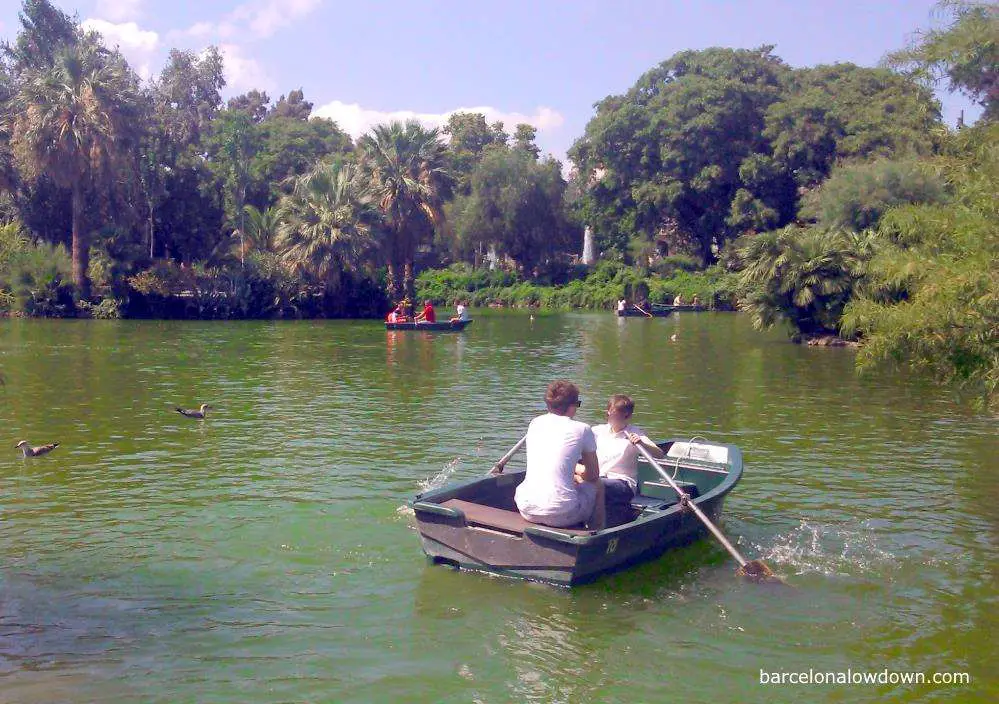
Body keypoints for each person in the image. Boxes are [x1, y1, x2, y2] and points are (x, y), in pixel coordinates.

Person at [514, 381, 605, 529]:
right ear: (572, 406)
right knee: (598, 485)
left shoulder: (535, 423)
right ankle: (597, 535)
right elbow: (593, 475)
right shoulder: (582, 429)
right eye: (578, 404)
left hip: (526, 508)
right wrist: (580, 475)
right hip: (562, 514)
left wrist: (572, 475)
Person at [591, 394, 665, 526]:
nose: (614, 419)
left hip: (623, 483)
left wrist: (641, 443)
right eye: (611, 414)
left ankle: (596, 527)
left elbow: (659, 454)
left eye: (620, 416)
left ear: (628, 416)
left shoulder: (634, 433)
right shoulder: (597, 431)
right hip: (599, 478)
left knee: (594, 484)